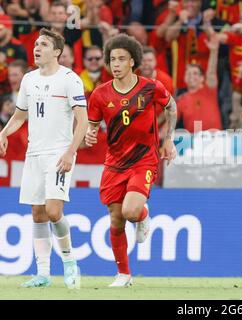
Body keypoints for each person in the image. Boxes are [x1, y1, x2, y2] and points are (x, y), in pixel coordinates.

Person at [85, 34, 177, 287]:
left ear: (133, 61)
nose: (116, 64)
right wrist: (90, 135)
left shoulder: (150, 87)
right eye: (112, 59)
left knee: (130, 211)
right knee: (116, 219)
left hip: (143, 160)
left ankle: (143, 214)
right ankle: (123, 274)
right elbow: (92, 125)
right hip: (114, 162)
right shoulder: (100, 94)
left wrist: (168, 139)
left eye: (121, 59)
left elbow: (172, 107)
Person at [0, 28, 88, 288]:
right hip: (33, 153)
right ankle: (43, 273)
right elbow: (19, 116)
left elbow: (82, 120)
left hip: (58, 154)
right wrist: (3, 133)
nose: (37, 48)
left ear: (57, 51)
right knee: (38, 214)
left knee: (53, 211)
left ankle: (70, 262)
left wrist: (71, 151)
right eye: (36, 44)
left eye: (44, 45)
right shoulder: (29, 79)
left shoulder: (70, 79)